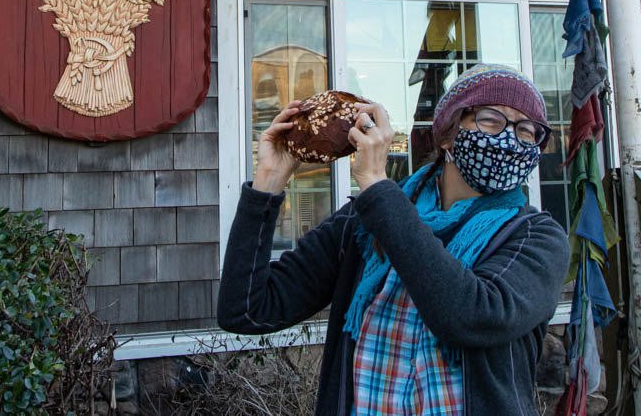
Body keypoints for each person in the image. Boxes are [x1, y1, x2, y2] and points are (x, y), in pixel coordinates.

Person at [217, 64, 571, 415]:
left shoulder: (536, 237)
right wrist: (269, 182)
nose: (509, 139)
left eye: (527, 130)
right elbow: (247, 309)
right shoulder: (363, 223)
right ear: (448, 135)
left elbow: (471, 316)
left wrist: (378, 187)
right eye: (491, 120)